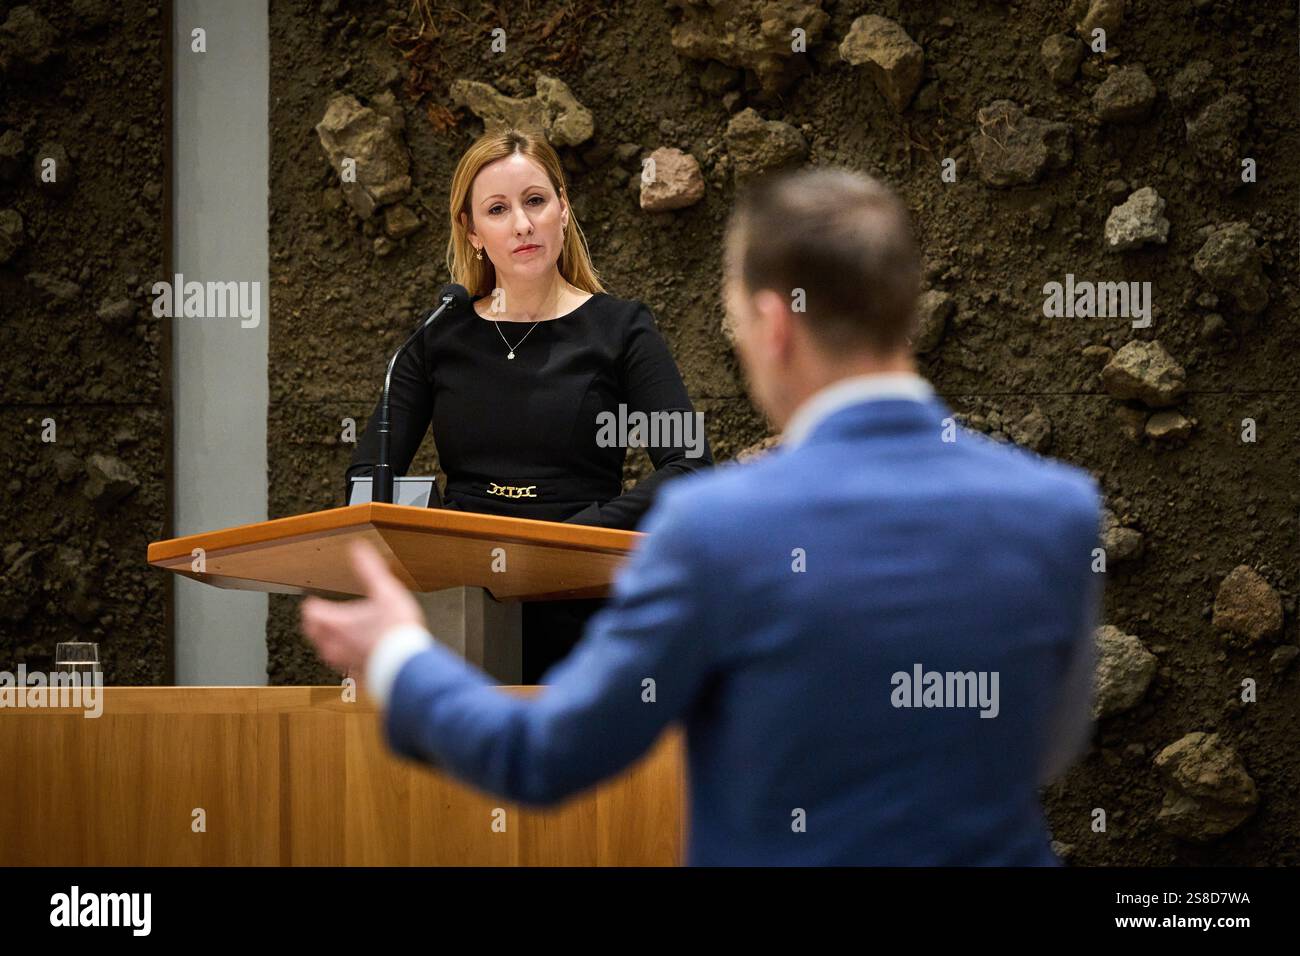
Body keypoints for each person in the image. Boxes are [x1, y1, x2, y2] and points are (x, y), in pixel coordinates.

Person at [304, 166, 1103, 865]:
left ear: (775, 325)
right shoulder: (1059, 512)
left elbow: (543, 758)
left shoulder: (715, 529)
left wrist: (397, 655)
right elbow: (1051, 748)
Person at [345, 125, 712, 682]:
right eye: (497, 209)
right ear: (471, 232)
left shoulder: (619, 329)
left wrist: (578, 536)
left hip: (580, 592)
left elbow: (689, 467)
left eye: (535, 201)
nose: (521, 223)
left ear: (563, 210)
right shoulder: (440, 335)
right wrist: (447, 543)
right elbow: (368, 477)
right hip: (461, 602)